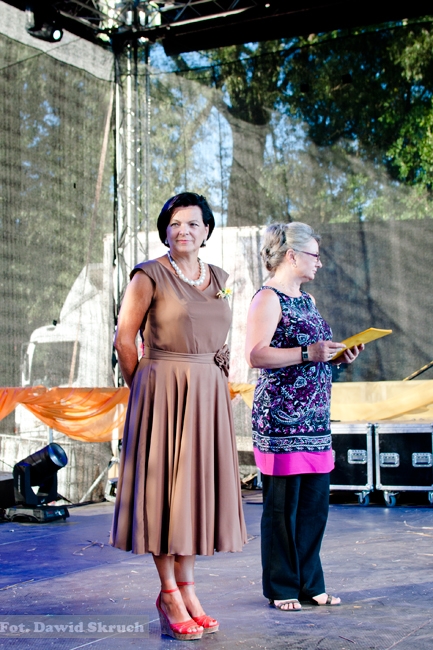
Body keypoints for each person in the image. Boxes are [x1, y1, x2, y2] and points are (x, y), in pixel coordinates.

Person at [111, 192, 247, 640]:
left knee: (191, 494)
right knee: (164, 496)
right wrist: (144, 388)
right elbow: (124, 339)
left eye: (192, 223)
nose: (182, 230)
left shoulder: (219, 277)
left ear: (206, 231)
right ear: (164, 232)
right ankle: (168, 592)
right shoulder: (148, 275)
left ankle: (188, 589)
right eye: (174, 224)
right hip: (162, 391)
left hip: (208, 392)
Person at [245, 222, 363, 612]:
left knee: (314, 507)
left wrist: (336, 357)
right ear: (292, 256)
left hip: (315, 420)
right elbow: (256, 354)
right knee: (283, 509)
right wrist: (307, 353)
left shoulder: (307, 300)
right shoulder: (268, 298)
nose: (319, 262)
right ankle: (282, 587)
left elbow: (314, 353)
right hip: (281, 421)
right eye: (314, 255)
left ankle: (311, 583)